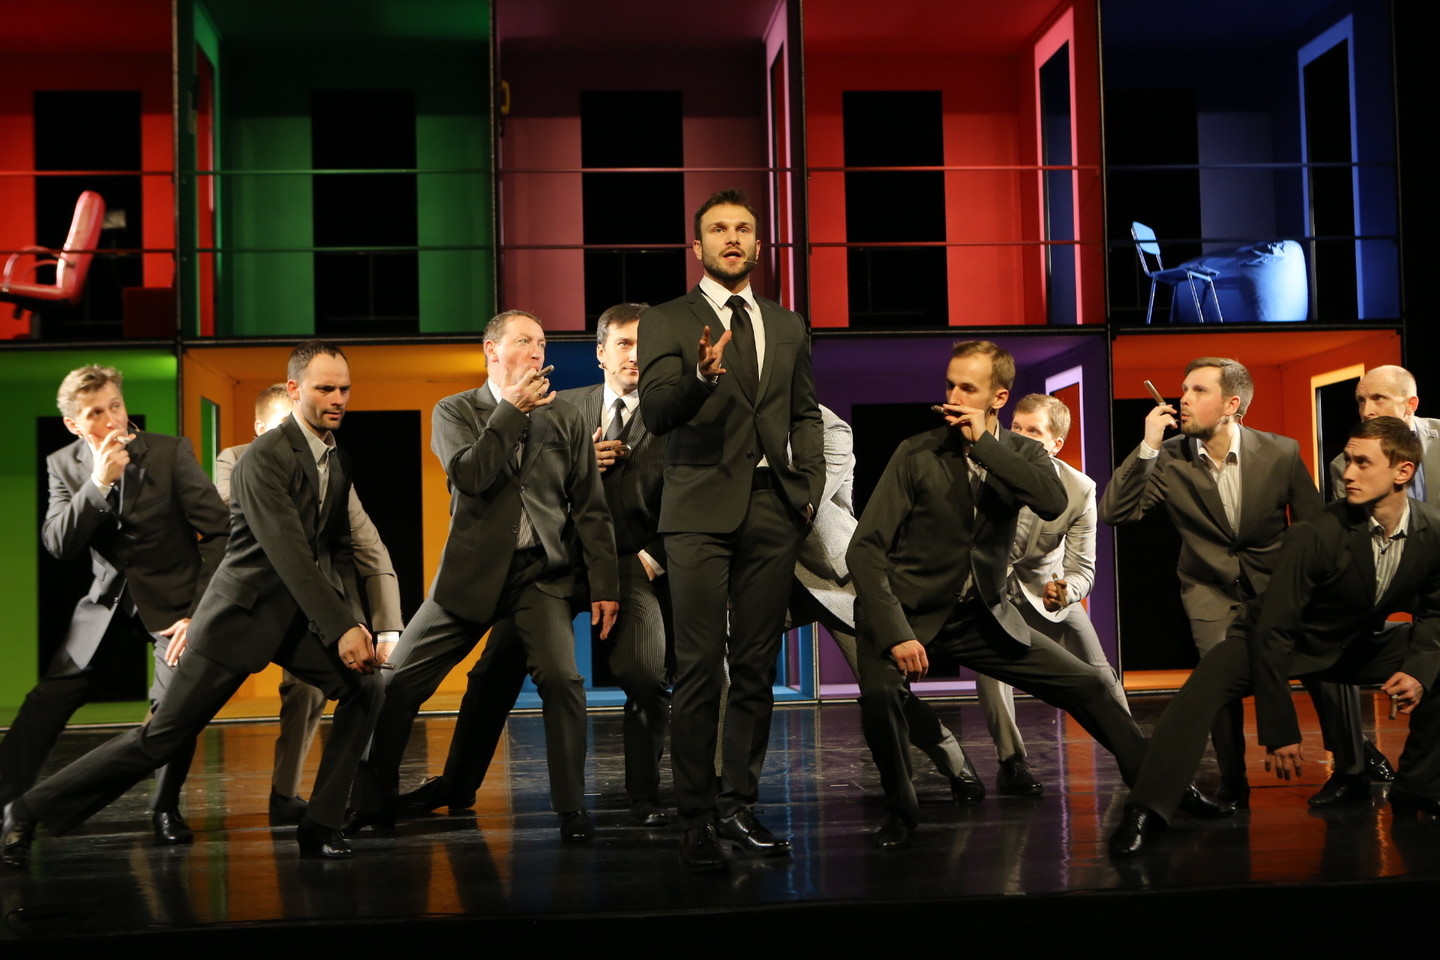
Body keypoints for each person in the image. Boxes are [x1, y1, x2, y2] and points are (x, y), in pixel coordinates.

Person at [2, 341, 386, 867]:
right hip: (233, 618)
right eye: (326, 388)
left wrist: (356, 621)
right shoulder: (262, 460)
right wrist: (340, 628)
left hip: (287, 614)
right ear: (295, 390)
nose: (338, 398)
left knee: (365, 688)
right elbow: (289, 555)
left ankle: (319, 824)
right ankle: (26, 809)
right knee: (159, 738)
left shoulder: (333, 458)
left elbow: (333, 548)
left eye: (344, 389)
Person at [850, 341, 1180, 850]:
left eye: (968, 388)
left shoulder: (1022, 454)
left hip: (977, 615)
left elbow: (1049, 500)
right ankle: (901, 810)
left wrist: (985, 444)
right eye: (950, 385)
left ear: (998, 397)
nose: (953, 397)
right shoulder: (917, 452)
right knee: (881, 697)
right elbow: (865, 549)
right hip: (907, 612)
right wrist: (895, 634)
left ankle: (1160, 791)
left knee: (1090, 684)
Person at [1110, 416, 1440, 858]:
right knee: (1201, 692)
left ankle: (1418, 786)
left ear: (1403, 472)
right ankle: (1145, 810)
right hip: (1271, 639)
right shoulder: (1317, 532)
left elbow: (1436, 612)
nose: (1348, 473)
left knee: (1433, 661)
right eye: (1348, 460)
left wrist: (1417, 670)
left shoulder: (1432, 529)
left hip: (1349, 643)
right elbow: (1274, 629)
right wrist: (1279, 728)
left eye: (1363, 463)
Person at [395, 303, 673, 827]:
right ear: (601, 353)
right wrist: (582, 460)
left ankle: (643, 794)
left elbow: (690, 496)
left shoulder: (672, 416)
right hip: (552, 564)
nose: (636, 355)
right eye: (625, 344)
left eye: (646, 345)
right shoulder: (562, 405)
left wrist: (652, 557)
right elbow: (531, 487)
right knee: (492, 676)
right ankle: (458, 785)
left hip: (625, 562)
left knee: (644, 673)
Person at [352, 310, 618, 843]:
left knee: (563, 681)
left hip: (538, 575)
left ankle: (572, 811)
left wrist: (605, 584)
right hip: (470, 576)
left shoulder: (565, 417)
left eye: (541, 343)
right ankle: (370, 803)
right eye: (524, 341)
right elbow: (471, 475)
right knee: (394, 683)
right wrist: (511, 411)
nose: (537, 351)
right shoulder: (454, 410)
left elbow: (590, 507)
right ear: (491, 350)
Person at [638, 188, 824, 870]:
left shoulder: (787, 323)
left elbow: (804, 411)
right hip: (696, 513)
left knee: (753, 667)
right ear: (698, 247)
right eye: (718, 229)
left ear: (758, 244)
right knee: (697, 669)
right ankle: (695, 816)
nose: (732, 238)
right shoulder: (667, 319)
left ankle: (738, 804)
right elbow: (656, 412)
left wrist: (808, 489)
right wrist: (699, 377)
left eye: (743, 228)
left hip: (774, 510)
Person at [1098, 357, 1364, 807]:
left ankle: (1352, 771)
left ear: (1231, 405)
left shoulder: (1279, 452)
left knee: (1326, 662)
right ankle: (1233, 779)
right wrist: (1147, 446)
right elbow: (1116, 511)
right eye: (1184, 389)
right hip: (1210, 590)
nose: (1183, 398)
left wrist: (1314, 591)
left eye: (1198, 390)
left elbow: (1314, 526)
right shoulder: (1169, 457)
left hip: (1277, 584)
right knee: (1218, 678)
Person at [0, 365, 228, 848]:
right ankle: (7, 806)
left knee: (172, 708)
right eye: (95, 414)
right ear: (73, 424)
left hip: (175, 605)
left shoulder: (169, 451)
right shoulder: (64, 464)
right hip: (106, 607)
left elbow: (220, 531)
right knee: (45, 703)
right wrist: (98, 484)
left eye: (115, 407)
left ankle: (165, 807)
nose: (110, 420)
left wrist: (199, 610)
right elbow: (59, 544)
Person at [214, 383, 404, 825]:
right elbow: (237, 512)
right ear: (259, 428)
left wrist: (388, 627)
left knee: (331, 691)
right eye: (283, 427)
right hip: (252, 603)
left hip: (313, 605)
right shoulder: (237, 460)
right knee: (190, 705)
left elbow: (369, 546)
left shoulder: (327, 465)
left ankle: (303, 798)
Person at [789, 405, 985, 801]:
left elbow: (801, 497)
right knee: (728, 662)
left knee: (885, 689)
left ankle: (952, 758)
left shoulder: (827, 425)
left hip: (835, 575)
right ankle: (724, 786)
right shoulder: (737, 414)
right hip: (774, 575)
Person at [975, 393, 1128, 796]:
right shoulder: (981, 472)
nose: (1019, 438)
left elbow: (1083, 569)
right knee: (991, 670)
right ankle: (1012, 762)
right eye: (1016, 428)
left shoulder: (1078, 489)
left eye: (1034, 432)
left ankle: (1136, 752)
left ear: (1056, 444)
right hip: (990, 592)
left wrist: (1067, 590)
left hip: (1044, 590)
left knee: (1100, 674)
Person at [1308, 364, 1440, 798]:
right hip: (1384, 572)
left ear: (1410, 404)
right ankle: (1351, 765)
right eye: (1361, 400)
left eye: (1378, 398)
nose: (1366, 409)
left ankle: (1419, 778)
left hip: (1436, 573)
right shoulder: (1342, 465)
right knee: (1323, 638)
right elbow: (1352, 535)